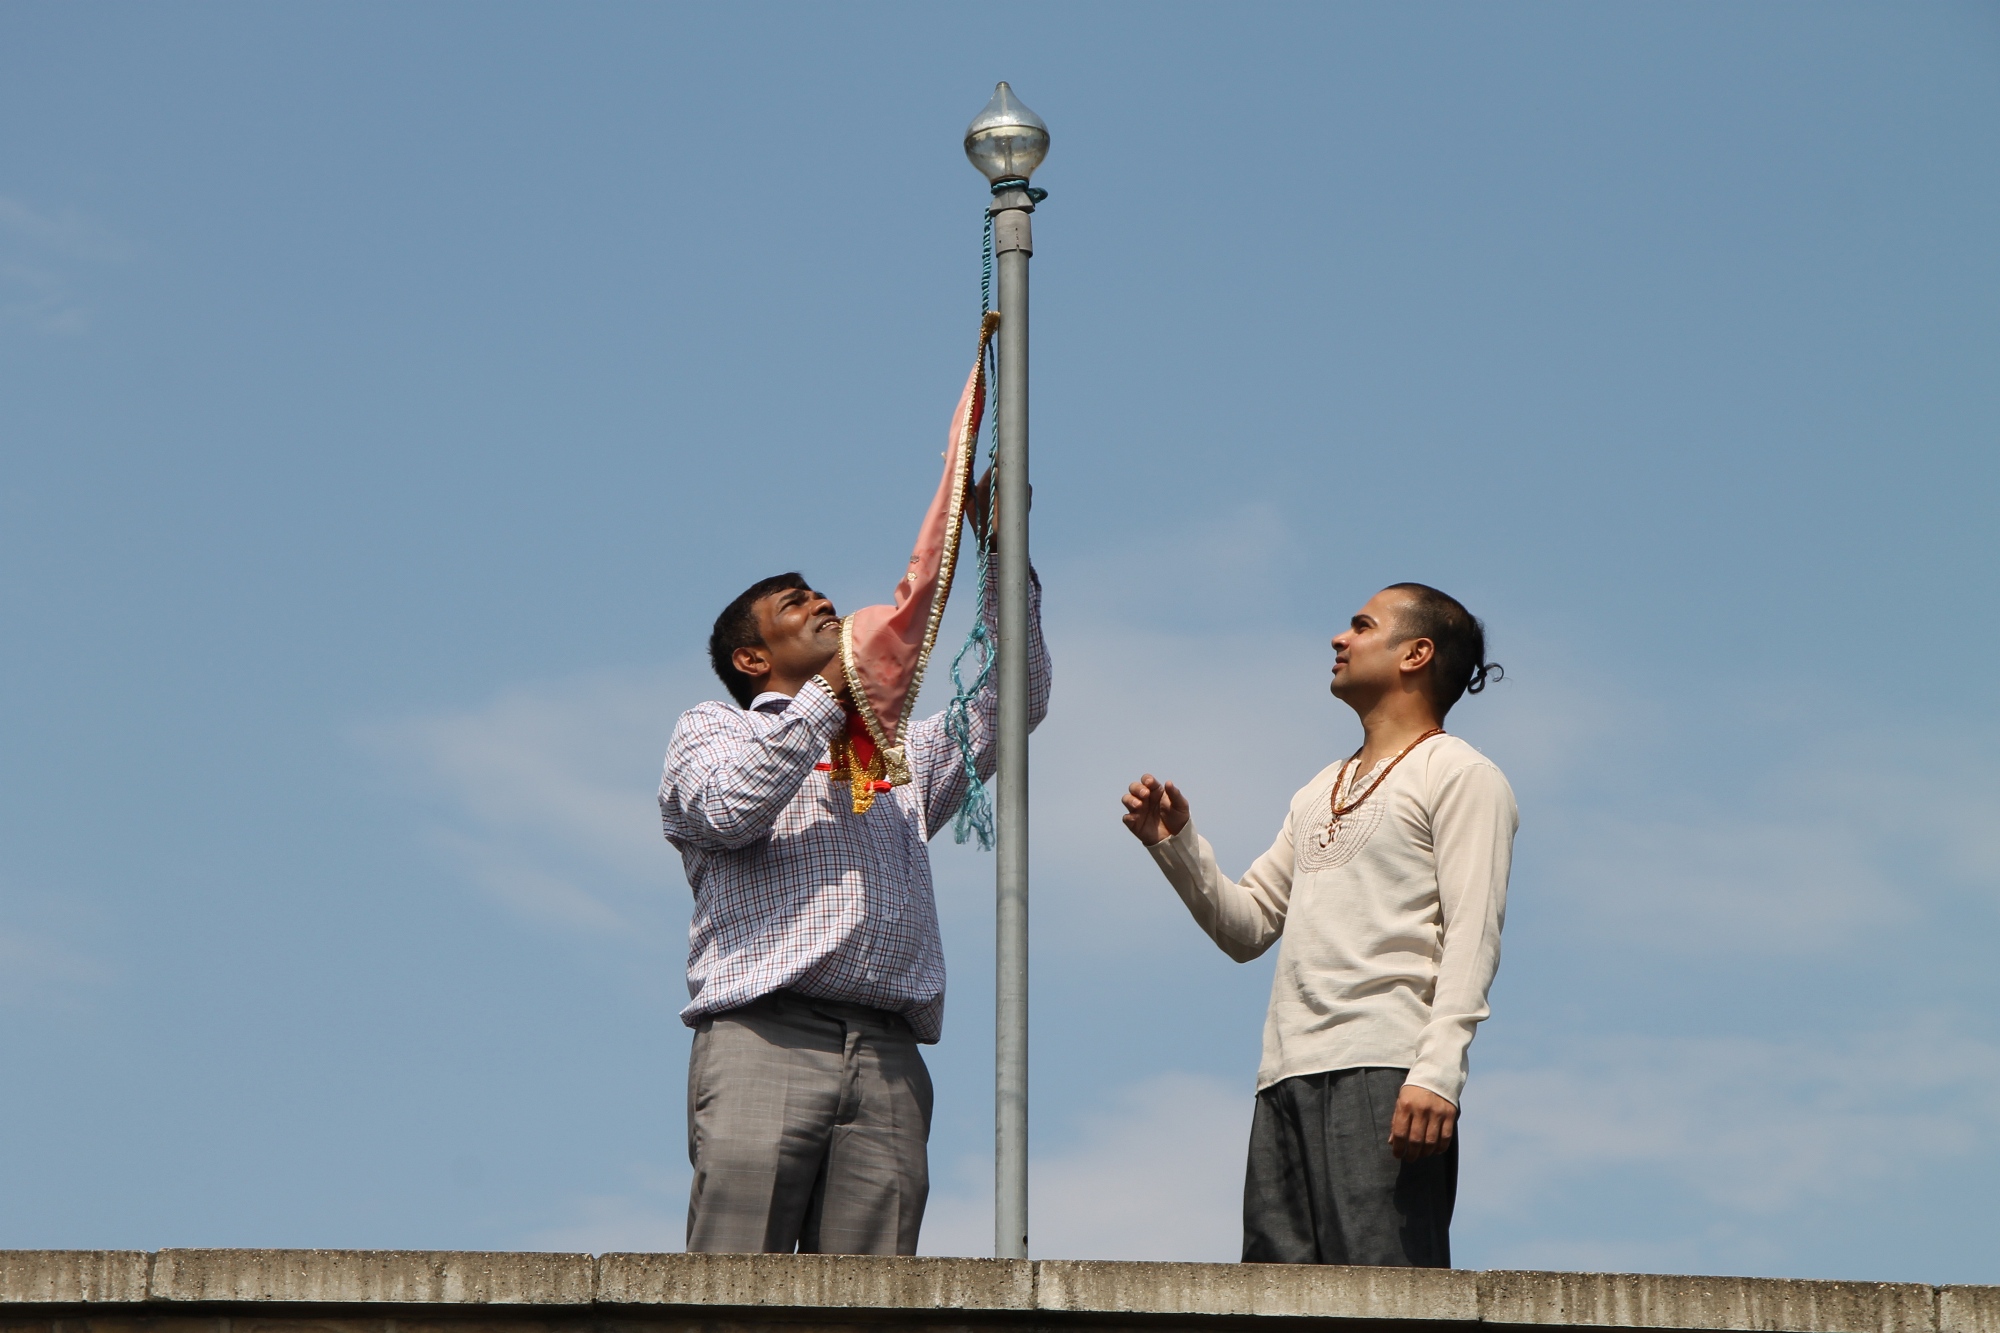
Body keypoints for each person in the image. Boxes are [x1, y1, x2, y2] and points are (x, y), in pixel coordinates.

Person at [659, 509, 1049, 1255]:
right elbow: (730, 807)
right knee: (736, 1288)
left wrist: (1003, 549)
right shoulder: (715, 728)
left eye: (822, 596)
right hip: (764, 1034)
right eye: (794, 603)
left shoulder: (893, 754)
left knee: (875, 1305)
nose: (822, 605)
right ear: (751, 658)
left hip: (888, 1053)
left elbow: (1013, 698)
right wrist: (831, 692)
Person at [1120, 583, 1515, 1268]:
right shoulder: (1317, 790)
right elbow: (1246, 926)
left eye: (1362, 626)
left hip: (1387, 1075)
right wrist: (1175, 844)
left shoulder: (1460, 773)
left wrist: (1438, 1071)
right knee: (1275, 1308)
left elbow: (1473, 933)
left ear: (1416, 653)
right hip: (1284, 1077)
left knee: (1386, 1302)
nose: (1340, 638)